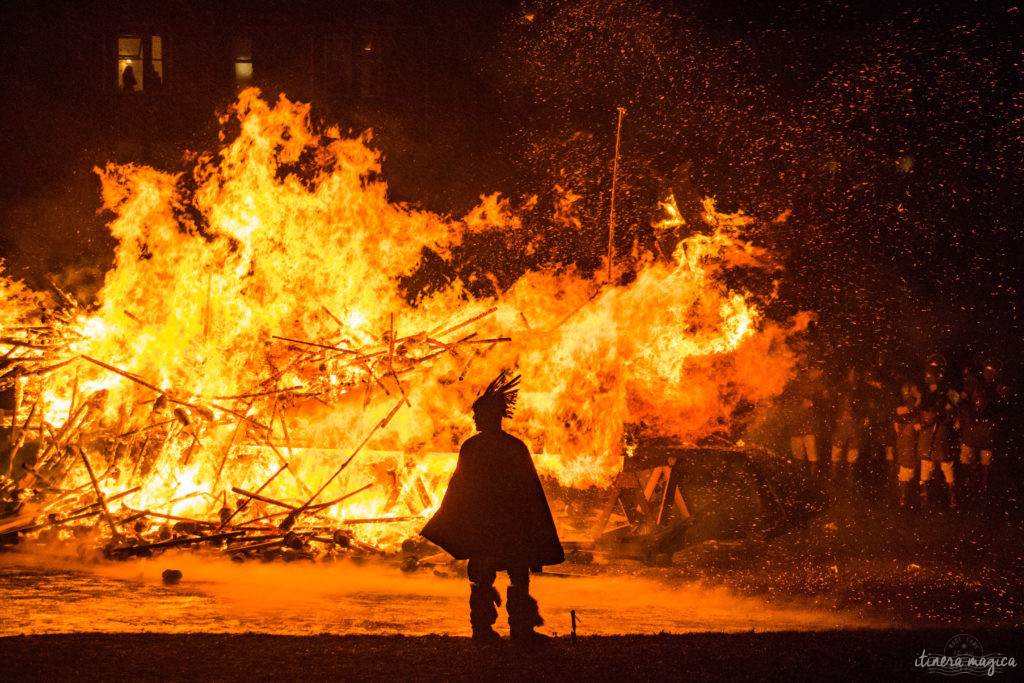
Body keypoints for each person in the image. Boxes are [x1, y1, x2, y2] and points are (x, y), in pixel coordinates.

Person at [420, 372, 564, 642]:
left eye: (478, 414)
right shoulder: (513, 447)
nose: (474, 419)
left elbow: (460, 488)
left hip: (485, 528)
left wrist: (452, 522)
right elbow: (530, 494)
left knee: (486, 576)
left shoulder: (474, 447)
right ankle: (519, 630)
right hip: (511, 528)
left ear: (490, 416)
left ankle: (485, 629)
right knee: (517, 576)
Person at [958, 357, 1008, 495]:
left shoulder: (998, 388)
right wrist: (966, 420)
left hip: (986, 429)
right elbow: (962, 402)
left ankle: (983, 487)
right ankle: (969, 483)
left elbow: (1002, 408)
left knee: (985, 461)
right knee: (968, 458)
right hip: (972, 427)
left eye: (992, 371)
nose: (989, 374)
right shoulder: (974, 383)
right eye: (988, 371)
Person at [917, 356, 958, 510]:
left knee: (946, 465)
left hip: (941, 433)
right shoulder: (923, 391)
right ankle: (924, 502)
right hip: (927, 434)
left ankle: (952, 500)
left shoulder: (949, 391)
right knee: (926, 465)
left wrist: (943, 413)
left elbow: (951, 412)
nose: (932, 376)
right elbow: (921, 410)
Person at [894, 382, 921, 508]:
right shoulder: (902, 410)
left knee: (909, 468)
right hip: (906, 443)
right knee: (907, 468)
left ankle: (906, 498)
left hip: (909, 443)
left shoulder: (911, 412)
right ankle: (904, 499)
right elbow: (905, 413)